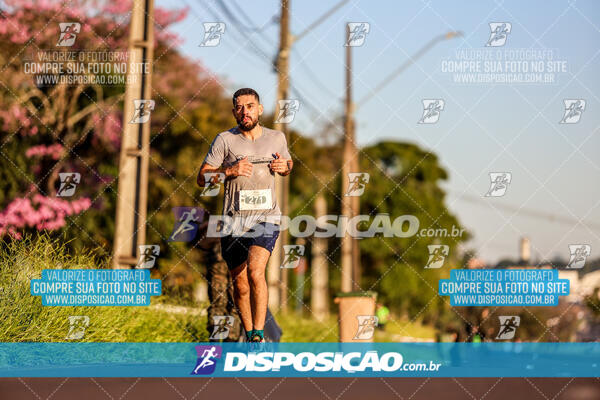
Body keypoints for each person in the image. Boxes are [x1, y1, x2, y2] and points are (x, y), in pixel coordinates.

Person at [197, 88, 293, 343]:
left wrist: (285, 167)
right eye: (239, 107)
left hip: (267, 218)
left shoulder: (277, 137)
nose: (244, 111)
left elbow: (288, 163)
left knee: (255, 272)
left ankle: (259, 335)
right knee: (240, 285)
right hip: (233, 221)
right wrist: (229, 170)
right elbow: (203, 178)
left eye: (250, 106)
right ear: (234, 112)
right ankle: (250, 334)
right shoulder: (224, 140)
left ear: (259, 109)